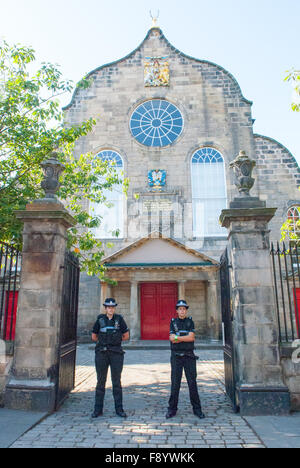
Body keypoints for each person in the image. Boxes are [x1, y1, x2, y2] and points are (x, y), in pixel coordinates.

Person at [166, 299, 205, 420]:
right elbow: (172, 339)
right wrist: (184, 337)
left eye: (184, 309)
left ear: (186, 311)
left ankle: (197, 409)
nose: (182, 311)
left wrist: (178, 338)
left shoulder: (190, 322)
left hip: (189, 356)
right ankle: (172, 409)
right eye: (180, 309)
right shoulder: (173, 322)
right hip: (176, 356)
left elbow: (191, 338)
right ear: (177, 311)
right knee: (175, 383)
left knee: (192, 383)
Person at [91, 298, 130, 418]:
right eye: (108, 307)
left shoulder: (119, 319)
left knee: (116, 382)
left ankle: (119, 409)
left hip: (116, 353)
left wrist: (115, 341)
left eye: (112, 307)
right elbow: (94, 336)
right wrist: (104, 342)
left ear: (114, 308)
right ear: (105, 308)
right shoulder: (100, 319)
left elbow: (126, 335)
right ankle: (98, 410)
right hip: (102, 353)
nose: (110, 309)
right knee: (100, 382)